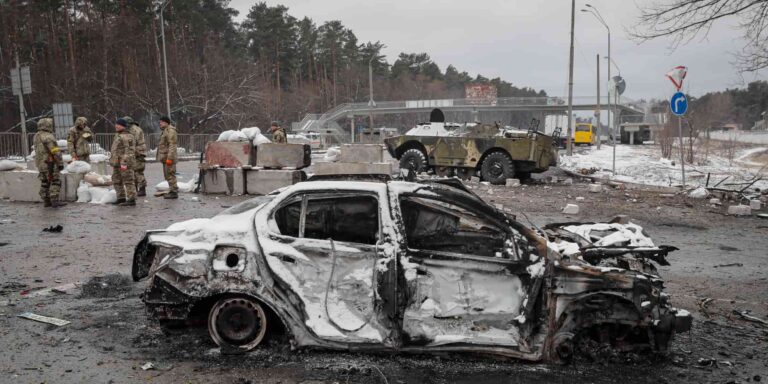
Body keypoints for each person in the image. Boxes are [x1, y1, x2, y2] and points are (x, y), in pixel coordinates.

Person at [33, 118, 66, 208]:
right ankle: (54, 200)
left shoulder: (36, 136)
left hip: (40, 163)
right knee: (55, 181)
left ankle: (46, 201)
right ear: (48, 125)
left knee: (45, 182)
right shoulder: (49, 136)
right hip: (49, 162)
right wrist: (60, 163)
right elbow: (55, 151)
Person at [110, 118, 137, 206]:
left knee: (128, 180)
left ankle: (131, 199)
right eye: (116, 124)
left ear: (124, 126)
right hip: (117, 162)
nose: (116, 126)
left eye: (119, 124)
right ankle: (121, 197)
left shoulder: (128, 136)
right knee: (116, 180)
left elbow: (129, 151)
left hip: (125, 163)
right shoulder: (118, 135)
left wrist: (124, 161)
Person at [122, 116, 147, 196]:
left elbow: (132, 141)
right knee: (133, 171)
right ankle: (136, 189)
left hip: (138, 152)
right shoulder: (133, 128)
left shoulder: (134, 129)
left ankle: (142, 189)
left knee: (138, 171)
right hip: (135, 152)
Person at [157, 116, 178, 199]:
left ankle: (174, 192)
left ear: (166, 122)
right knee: (167, 175)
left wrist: (170, 158)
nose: (160, 123)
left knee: (170, 174)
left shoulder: (170, 131)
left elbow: (172, 145)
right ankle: (172, 190)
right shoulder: (165, 131)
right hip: (165, 157)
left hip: (169, 158)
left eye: (161, 122)